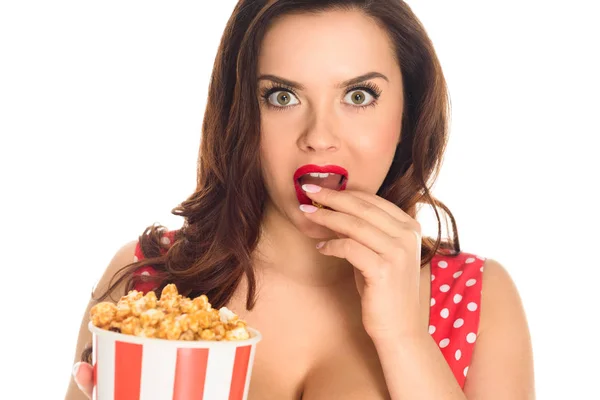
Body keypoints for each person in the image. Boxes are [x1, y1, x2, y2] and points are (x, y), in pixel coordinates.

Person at [66, 1, 535, 399]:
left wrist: (405, 338)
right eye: (282, 96)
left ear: (408, 114)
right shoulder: (146, 287)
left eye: (358, 95)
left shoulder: (479, 297)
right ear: (240, 115)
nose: (319, 137)